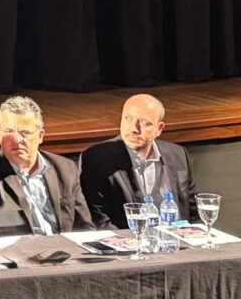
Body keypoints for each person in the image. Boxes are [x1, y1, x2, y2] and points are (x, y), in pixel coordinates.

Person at [0, 96, 93, 235]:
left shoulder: (65, 168)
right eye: (9, 132)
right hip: (18, 252)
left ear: (41, 135)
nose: (17, 140)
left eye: (25, 133)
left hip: (66, 251)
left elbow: (85, 226)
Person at [79, 93, 198, 229]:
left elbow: (193, 211)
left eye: (144, 123)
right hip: (127, 243)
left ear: (159, 129)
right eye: (128, 119)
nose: (134, 129)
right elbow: (99, 220)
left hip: (173, 242)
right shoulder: (97, 158)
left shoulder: (178, 154)